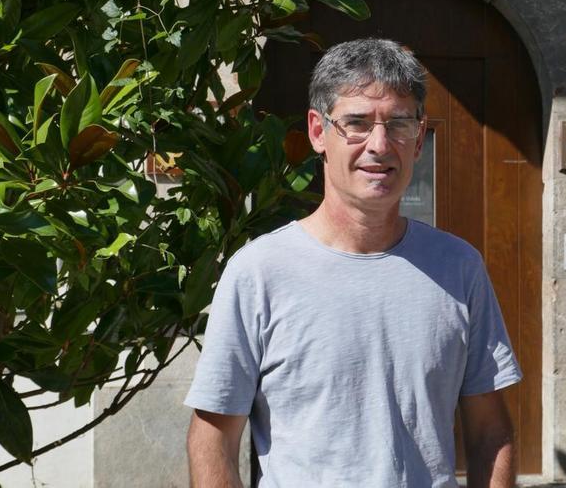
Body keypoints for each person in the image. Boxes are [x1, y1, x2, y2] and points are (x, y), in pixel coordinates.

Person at [185, 38, 522, 488]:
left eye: (399, 123)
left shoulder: (459, 268)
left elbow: (490, 433)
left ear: (418, 138)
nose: (379, 145)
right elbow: (212, 440)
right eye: (357, 123)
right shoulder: (259, 273)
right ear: (317, 131)